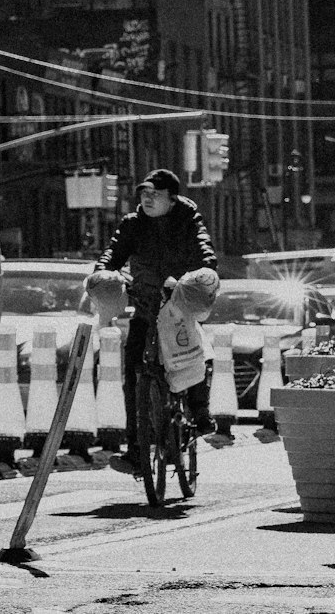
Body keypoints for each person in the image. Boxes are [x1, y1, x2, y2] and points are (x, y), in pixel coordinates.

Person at [88, 167, 224, 471]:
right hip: (146, 306)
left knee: (198, 356)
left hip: (179, 305)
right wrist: (103, 272)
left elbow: (205, 250)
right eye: (144, 193)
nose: (147, 199)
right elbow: (112, 253)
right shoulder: (132, 224)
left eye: (155, 194)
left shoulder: (189, 220)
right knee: (134, 370)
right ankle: (136, 450)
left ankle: (201, 414)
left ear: (172, 198)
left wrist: (203, 272)